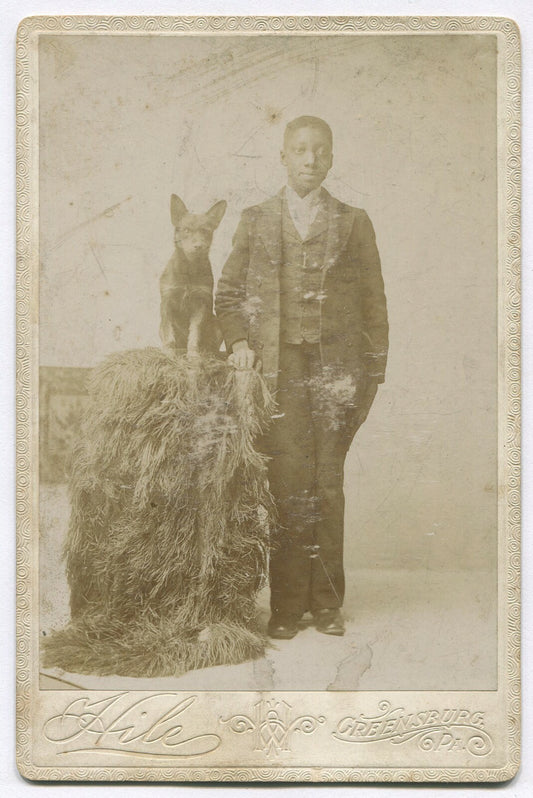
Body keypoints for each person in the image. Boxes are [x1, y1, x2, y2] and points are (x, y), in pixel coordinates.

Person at [215, 116, 388, 639]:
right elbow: (229, 293)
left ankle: (328, 604)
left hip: (338, 374)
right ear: (283, 157)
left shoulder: (354, 221)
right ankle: (288, 606)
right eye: (300, 150)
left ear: (331, 158)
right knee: (289, 484)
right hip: (280, 373)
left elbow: (374, 303)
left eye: (320, 150)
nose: (310, 159)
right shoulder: (256, 220)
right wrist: (240, 344)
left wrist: (372, 374)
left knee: (328, 484)